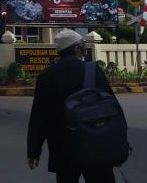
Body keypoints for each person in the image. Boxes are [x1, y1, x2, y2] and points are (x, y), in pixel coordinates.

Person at [27, 29, 124, 183]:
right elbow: (113, 108)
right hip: (95, 144)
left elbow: (39, 117)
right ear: (77, 48)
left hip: (63, 148)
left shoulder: (46, 75)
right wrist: (119, 142)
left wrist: (34, 150)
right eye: (83, 45)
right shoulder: (92, 70)